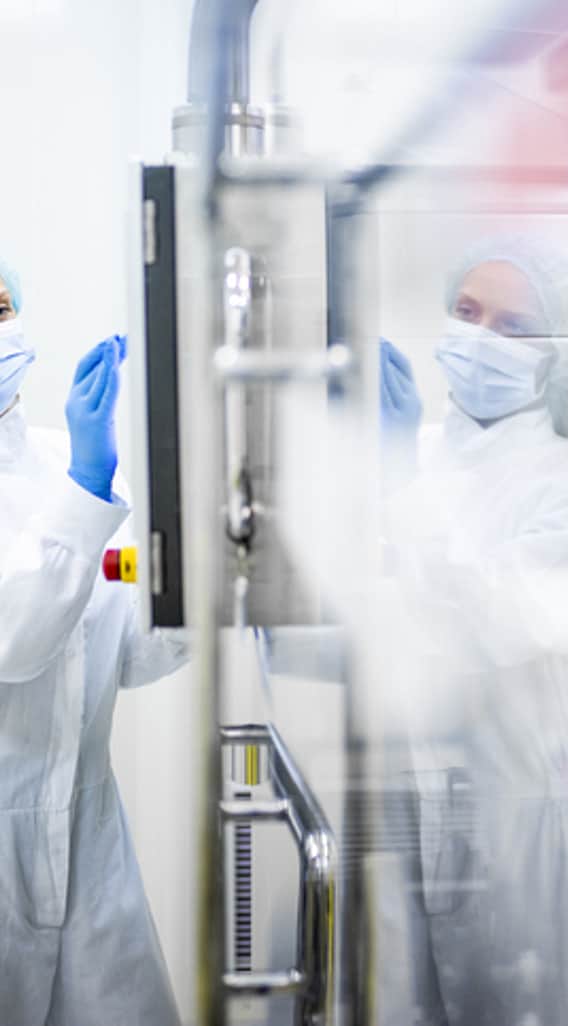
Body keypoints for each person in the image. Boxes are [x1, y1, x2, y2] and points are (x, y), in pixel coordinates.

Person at [378, 235, 568, 1026]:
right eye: (466, 312)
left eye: (513, 327)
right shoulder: (410, 460)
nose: (479, 339)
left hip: (537, 834)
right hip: (414, 822)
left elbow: (484, 625)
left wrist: (394, 490)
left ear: (561, 354)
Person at [0, 260, 186, 1026]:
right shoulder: (83, 478)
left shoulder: (72, 466)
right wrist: (87, 489)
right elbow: (16, 641)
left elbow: (133, 655)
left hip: (90, 843)